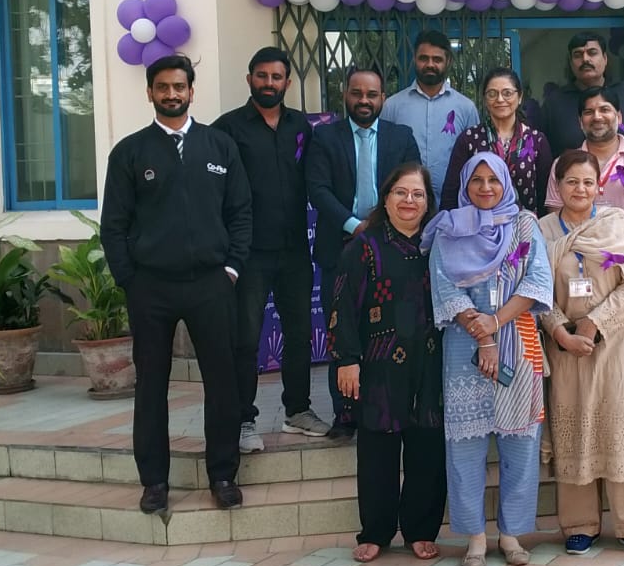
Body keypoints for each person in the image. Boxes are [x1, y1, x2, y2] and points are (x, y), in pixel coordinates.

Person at [100, 54, 252, 515]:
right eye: (163, 87)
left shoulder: (220, 146)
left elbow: (241, 213)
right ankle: (154, 482)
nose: (172, 94)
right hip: (151, 287)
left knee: (222, 382)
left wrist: (231, 269)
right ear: (150, 92)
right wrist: (130, 280)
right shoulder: (129, 152)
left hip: (211, 283)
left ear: (191, 91)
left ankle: (223, 475)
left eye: (179, 87)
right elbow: (114, 225)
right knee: (150, 385)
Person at [426, 153, 554, 566]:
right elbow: (445, 286)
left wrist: (496, 323)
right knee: (465, 446)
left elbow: (537, 282)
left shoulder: (524, 225)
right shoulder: (449, 228)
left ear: (506, 184)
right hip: (464, 347)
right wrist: (483, 335)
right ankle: (475, 537)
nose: (485, 188)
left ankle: (512, 534)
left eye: (493, 180)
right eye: (476, 180)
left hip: (519, 341)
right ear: (464, 185)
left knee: (522, 443)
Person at [540, 150, 624, 557]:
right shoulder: (542, 231)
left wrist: (594, 323)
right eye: (571, 181)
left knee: (619, 425)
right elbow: (534, 289)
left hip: (616, 345)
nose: (580, 189)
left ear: (599, 187)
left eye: (588, 182)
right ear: (558, 186)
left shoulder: (616, 224)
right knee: (575, 432)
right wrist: (561, 331)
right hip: (566, 350)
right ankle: (579, 525)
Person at [329, 163, 445, 564]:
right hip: (379, 366)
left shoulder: (439, 245)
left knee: (427, 449)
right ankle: (375, 531)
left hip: (431, 363)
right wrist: (347, 360)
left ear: (428, 202)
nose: (409, 200)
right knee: (378, 451)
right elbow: (342, 307)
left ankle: (420, 530)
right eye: (401, 192)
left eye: (418, 194)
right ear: (386, 197)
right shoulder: (364, 247)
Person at [306, 68, 421, 439]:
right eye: (357, 93)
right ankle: (345, 415)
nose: (364, 101)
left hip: (392, 246)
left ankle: (390, 405)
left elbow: (413, 184)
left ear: (383, 98)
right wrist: (356, 226)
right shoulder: (325, 137)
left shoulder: (401, 137)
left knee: (388, 329)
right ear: (346, 95)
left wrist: (382, 228)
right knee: (342, 327)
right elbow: (318, 189)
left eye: (372, 94)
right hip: (341, 245)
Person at [212, 47, 314, 455]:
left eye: (276, 77)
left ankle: (298, 411)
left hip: (295, 250)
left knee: (300, 333)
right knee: (246, 338)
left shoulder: (301, 126)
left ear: (287, 82)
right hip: (248, 253)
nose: (269, 83)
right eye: (262, 76)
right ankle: (243, 419)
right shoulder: (226, 129)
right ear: (249, 78)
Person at [441, 67, 554, 215]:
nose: (500, 99)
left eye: (507, 93)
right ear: (485, 99)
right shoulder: (469, 139)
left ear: (520, 97)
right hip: (477, 226)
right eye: (492, 94)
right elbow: (451, 192)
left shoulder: (536, 141)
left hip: (524, 225)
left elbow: (545, 195)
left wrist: (540, 227)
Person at [381, 30, 480, 191]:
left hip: (453, 200)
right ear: (414, 59)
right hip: (406, 201)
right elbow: (382, 157)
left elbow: (475, 159)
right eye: (423, 58)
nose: (430, 65)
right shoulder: (392, 106)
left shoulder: (466, 108)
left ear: (448, 61)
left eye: (437, 59)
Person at [544, 87, 624, 217]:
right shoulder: (563, 163)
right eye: (589, 112)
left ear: (619, 117)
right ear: (580, 121)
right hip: (576, 231)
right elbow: (555, 219)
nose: (597, 117)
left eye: (604, 110)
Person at [539, 31, 624, 155]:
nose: (585, 59)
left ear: (605, 58)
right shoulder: (555, 103)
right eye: (578, 55)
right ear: (571, 63)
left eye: (592, 53)